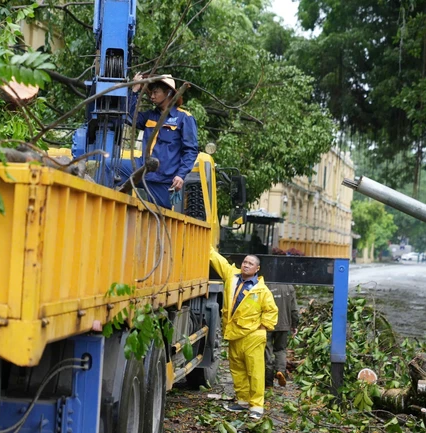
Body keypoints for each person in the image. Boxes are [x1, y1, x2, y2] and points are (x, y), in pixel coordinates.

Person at [209, 247, 278, 420]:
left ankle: (256, 405)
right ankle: (243, 401)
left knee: (255, 371)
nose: (246, 265)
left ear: (257, 269)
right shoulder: (232, 277)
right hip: (234, 334)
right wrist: (208, 248)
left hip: (253, 336)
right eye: (245, 262)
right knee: (237, 369)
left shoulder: (261, 291)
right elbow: (220, 262)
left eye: (251, 263)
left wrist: (263, 328)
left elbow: (271, 311)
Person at [117, 74, 198, 208]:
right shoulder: (150, 116)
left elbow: (190, 150)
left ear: (169, 93)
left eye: (156, 92)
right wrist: (135, 90)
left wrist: (180, 175)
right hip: (141, 169)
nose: (152, 96)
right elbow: (129, 115)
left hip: (163, 179)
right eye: (151, 93)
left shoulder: (184, 118)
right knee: (109, 165)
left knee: (156, 219)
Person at [265, 284, 299, 388]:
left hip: (267, 324)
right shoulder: (289, 287)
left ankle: (268, 381)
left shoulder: (264, 284)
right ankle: (280, 371)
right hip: (284, 325)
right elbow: (294, 309)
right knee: (280, 350)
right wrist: (294, 325)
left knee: (267, 351)